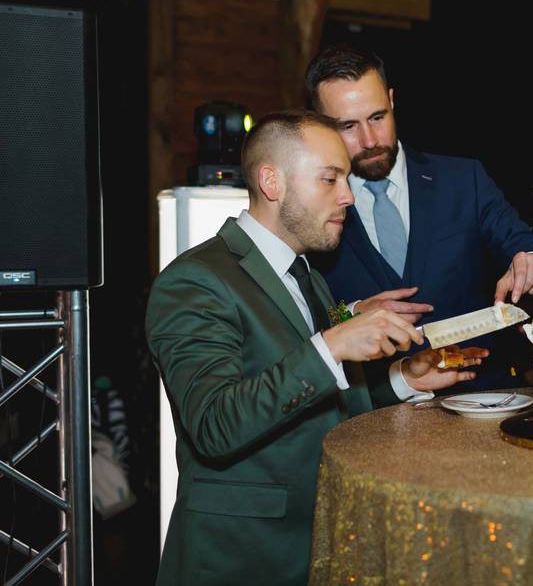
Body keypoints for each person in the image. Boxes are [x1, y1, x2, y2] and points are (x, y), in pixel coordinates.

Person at [145, 110, 484, 585]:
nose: (347, 196)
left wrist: (404, 379)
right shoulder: (194, 281)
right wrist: (331, 345)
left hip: (319, 543)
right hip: (242, 559)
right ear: (272, 182)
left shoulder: (308, 278)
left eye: (345, 179)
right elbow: (215, 424)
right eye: (330, 179)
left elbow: (323, 404)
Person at [303, 43, 533, 390]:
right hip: (369, 413)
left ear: (392, 100)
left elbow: (527, 245)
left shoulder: (463, 179)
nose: (370, 139)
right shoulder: (311, 204)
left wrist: (531, 261)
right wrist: (350, 313)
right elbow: (304, 316)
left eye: (378, 117)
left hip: (479, 400)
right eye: (348, 126)